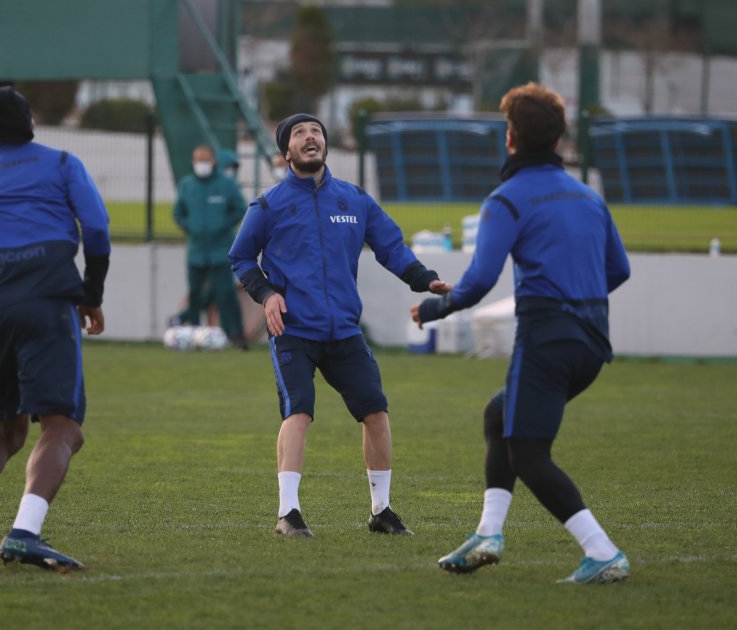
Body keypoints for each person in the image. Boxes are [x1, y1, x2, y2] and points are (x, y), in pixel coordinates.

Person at [412, 83, 632, 584]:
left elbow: (479, 281)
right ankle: (489, 532)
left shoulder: (506, 200)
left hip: (547, 338)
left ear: (510, 139)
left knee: (528, 453)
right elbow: (617, 270)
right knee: (499, 415)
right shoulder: (588, 198)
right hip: (592, 343)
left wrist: (433, 308)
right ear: (559, 142)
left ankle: (602, 552)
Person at [229, 113, 450, 537]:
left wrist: (424, 279)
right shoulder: (269, 205)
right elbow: (240, 257)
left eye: (316, 131)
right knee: (299, 413)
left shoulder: (355, 200)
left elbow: (392, 248)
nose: (310, 137)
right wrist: (267, 294)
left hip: (345, 330)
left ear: (325, 145)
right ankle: (288, 514)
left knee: (377, 414)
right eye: (299, 133)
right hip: (293, 329)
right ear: (286, 151)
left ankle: (381, 511)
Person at [0, 86, 111, 572]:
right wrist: (91, 294)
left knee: (6, 431)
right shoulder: (59, 163)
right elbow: (96, 229)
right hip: (47, 300)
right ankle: (24, 533)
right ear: (28, 119)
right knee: (63, 427)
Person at [173, 144, 248, 348]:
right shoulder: (187, 185)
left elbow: (240, 208)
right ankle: (195, 335)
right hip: (196, 251)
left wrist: (223, 226)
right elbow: (178, 213)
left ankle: (236, 335)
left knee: (226, 295)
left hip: (221, 251)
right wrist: (190, 227)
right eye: (198, 160)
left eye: (205, 160)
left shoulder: (226, 184)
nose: (201, 164)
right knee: (195, 295)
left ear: (213, 162)